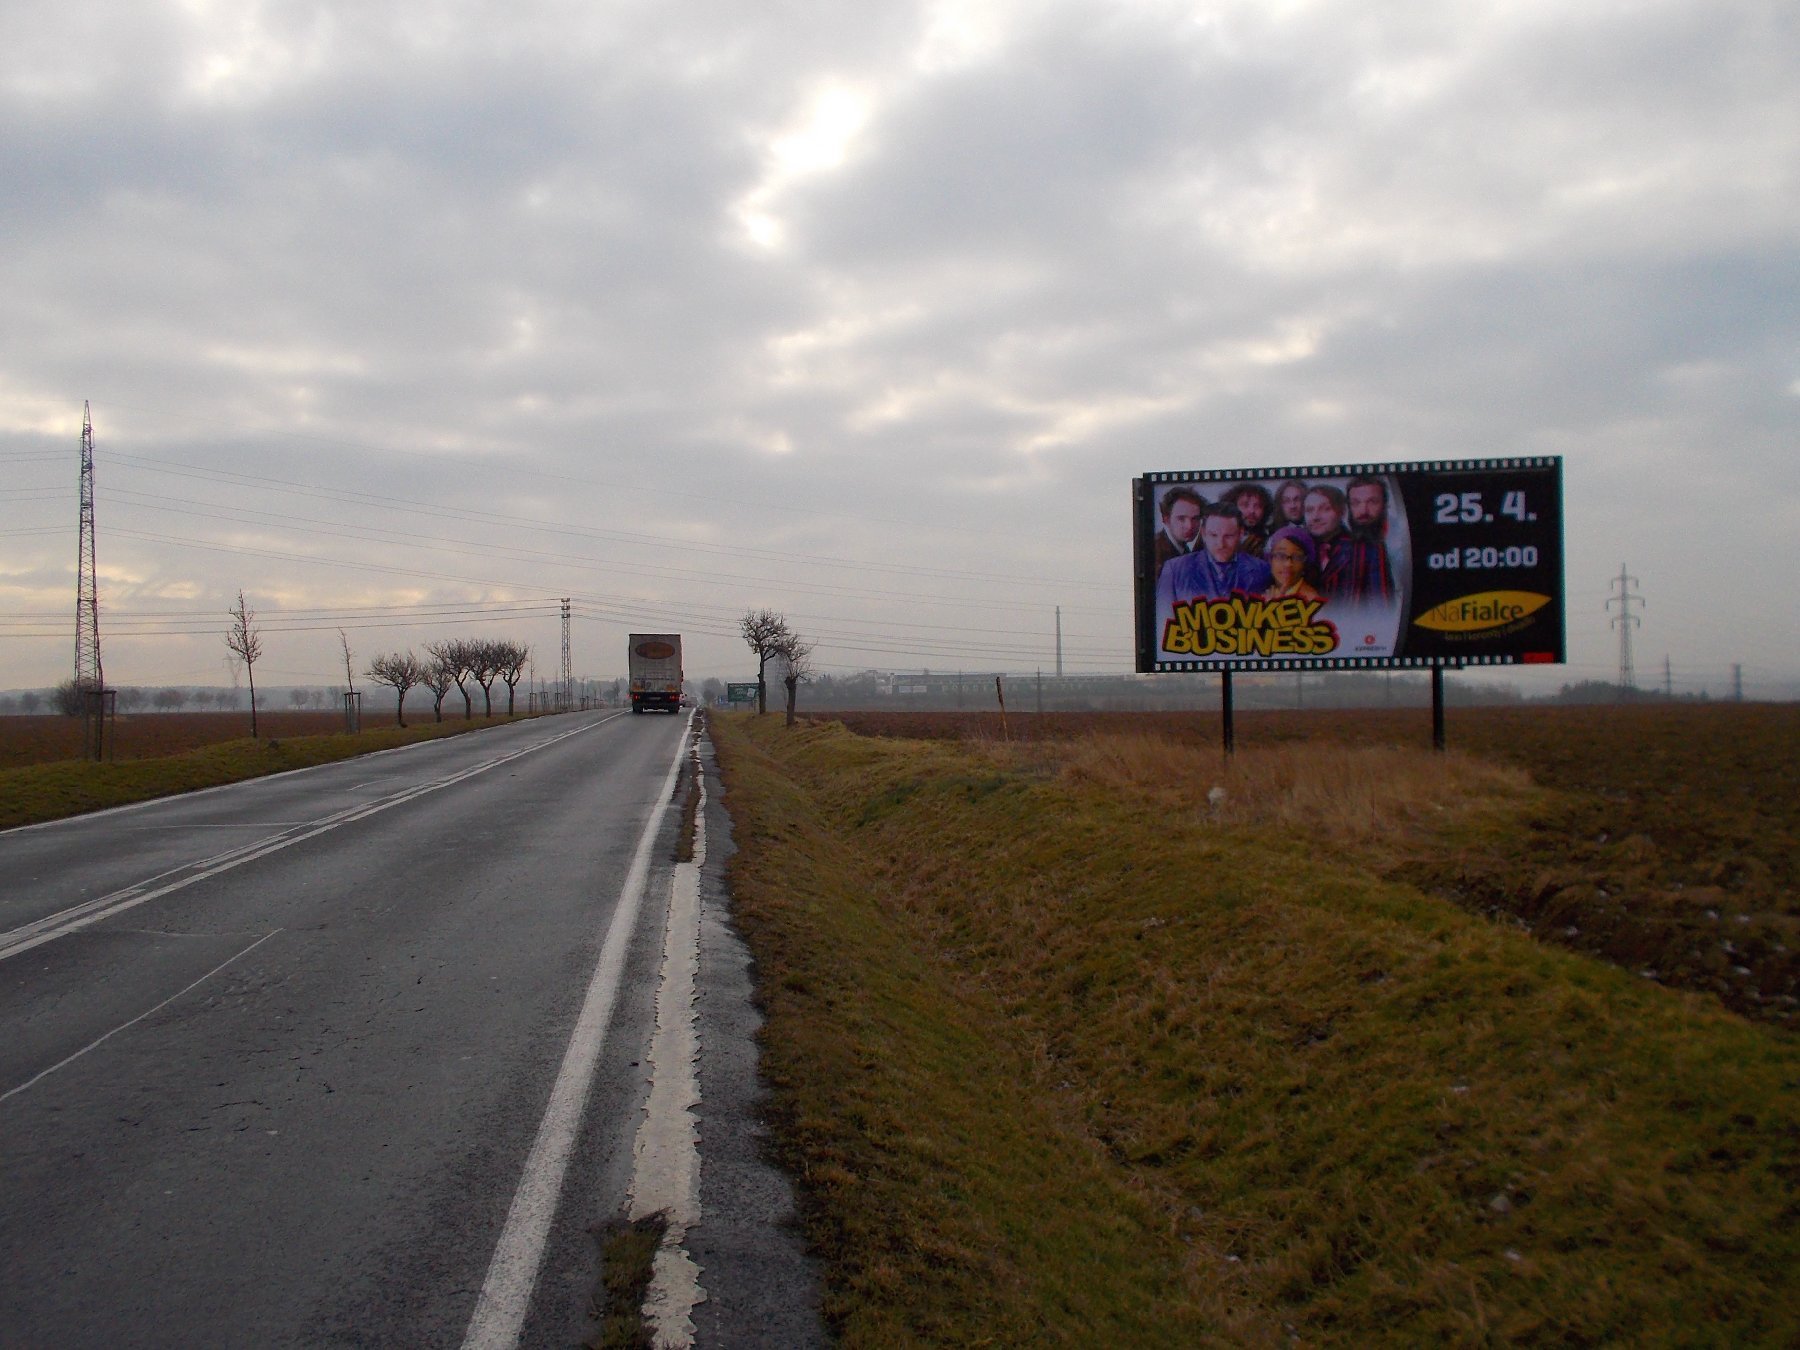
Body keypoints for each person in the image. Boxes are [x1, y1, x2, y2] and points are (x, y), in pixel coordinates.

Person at [1156, 502, 1273, 610]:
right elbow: (1164, 625)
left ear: (1240, 534)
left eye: (1228, 536)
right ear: (1203, 533)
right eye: (1213, 535)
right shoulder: (1174, 570)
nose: (1221, 544)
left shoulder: (1262, 570)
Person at [1309, 482, 1395, 603]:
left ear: (1342, 512)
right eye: (1309, 510)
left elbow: (1382, 606)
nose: (1315, 517)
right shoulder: (1300, 551)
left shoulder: (1368, 548)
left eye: (1325, 509)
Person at [1152, 486, 1205, 576]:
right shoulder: (1156, 553)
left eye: (1195, 519)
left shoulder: (1183, 547)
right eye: (1181, 519)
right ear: (1166, 520)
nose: (1189, 526)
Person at [1261, 525, 1323, 602]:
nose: (1288, 564)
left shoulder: (1311, 601)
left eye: (1297, 557)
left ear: (1305, 563)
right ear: (1270, 559)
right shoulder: (1268, 593)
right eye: (1281, 556)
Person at [1226, 482, 1274, 557]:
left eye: (1257, 506)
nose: (1252, 511)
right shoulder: (1222, 537)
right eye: (1245, 505)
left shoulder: (1270, 539)